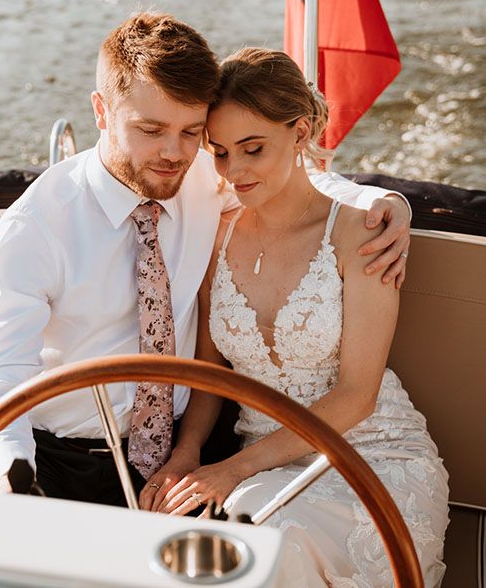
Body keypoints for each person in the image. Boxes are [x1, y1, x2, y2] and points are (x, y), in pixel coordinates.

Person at [0, 12, 413, 505]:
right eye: (150, 129)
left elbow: (294, 181)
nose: (173, 154)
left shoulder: (207, 171)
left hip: (195, 441)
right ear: (100, 110)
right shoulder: (36, 228)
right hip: (67, 459)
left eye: (191, 132)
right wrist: (11, 471)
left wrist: (381, 204)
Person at [144, 48, 449, 587]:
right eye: (218, 152)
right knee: (242, 547)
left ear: (300, 131)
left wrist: (232, 468)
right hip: (267, 467)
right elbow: (211, 376)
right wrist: (186, 455)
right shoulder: (218, 235)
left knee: (272, 547)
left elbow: (359, 394)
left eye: (252, 149)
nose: (234, 171)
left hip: (373, 455)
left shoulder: (362, 235)